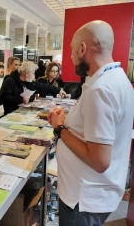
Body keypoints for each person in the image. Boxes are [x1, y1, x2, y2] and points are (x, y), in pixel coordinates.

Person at [48, 20, 134, 226]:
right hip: (91, 196)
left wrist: (60, 128)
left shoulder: (101, 90)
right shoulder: (116, 78)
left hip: (83, 200)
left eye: (71, 50)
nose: (70, 56)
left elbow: (99, 160)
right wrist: (69, 123)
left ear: (82, 49)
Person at [0, 61, 66, 115]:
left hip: (24, 113)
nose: (34, 75)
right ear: (27, 73)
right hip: (11, 113)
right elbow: (4, 99)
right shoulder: (10, 81)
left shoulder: (29, 82)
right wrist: (21, 99)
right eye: (33, 73)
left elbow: (43, 87)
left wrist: (58, 90)